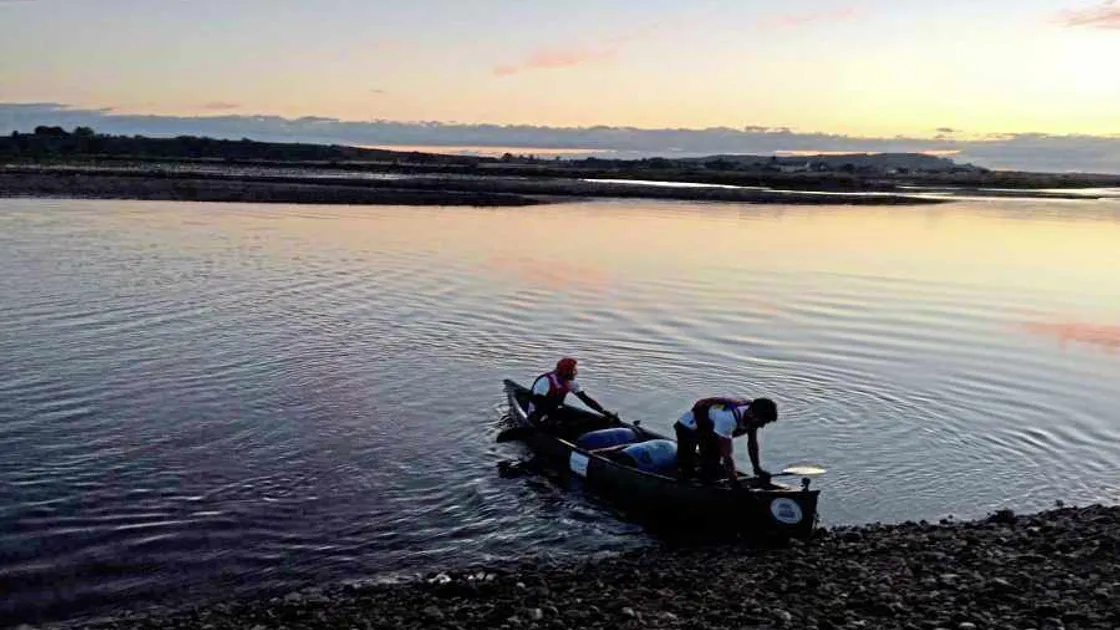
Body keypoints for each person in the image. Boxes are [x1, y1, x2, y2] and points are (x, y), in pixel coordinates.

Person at [673, 396, 778, 486]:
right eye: (762, 422)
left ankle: (705, 476)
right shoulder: (728, 419)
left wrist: (757, 469)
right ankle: (684, 478)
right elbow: (727, 456)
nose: (762, 426)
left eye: (765, 423)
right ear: (751, 413)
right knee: (685, 469)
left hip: (711, 431)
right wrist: (734, 482)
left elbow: (752, 445)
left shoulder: (752, 418)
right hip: (688, 428)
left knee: (712, 470)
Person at [527, 357, 617, 425]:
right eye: (570, 371)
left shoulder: (571, 383)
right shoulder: (545, 381)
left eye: (573, 370)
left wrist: (603, 411)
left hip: (555, 410)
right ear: (563, 372)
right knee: (561, 423)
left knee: (585, 418)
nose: (574, 373)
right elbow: (537, 401)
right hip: (538, 413)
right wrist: (550, 416)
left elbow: (586, 399)